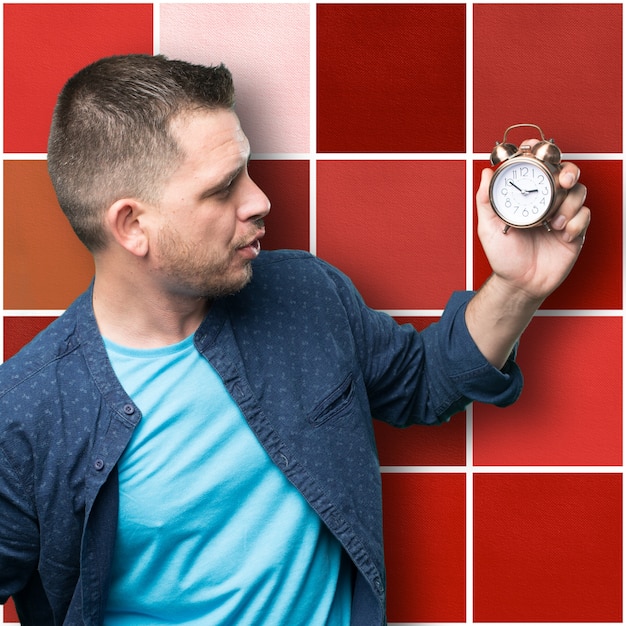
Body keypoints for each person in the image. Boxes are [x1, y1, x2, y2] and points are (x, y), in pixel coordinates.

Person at [0, 54, 590, 626]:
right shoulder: (25, 415)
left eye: (248, 171)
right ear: (132, 226)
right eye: (223, 188)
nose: (259, 201)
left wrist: (518, 285)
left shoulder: (304, 291)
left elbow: (426, 382)